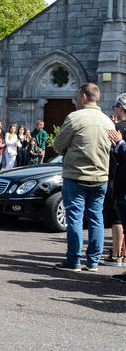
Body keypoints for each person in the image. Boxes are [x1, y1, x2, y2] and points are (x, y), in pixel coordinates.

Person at [53, 83, 115, 272]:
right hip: (100, 177)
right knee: (96, 218)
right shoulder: (108, 122)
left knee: (75, 219)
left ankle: (74, 260)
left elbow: (58, 145)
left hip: (76, 175)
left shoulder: (75, 118)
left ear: (83, 97)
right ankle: (93, 262)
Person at [107, 93, 126, 277]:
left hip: (119, 181)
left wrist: (119, 143)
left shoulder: (117, 130)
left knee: (118, 219)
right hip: (119, 180)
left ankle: (117, 254)